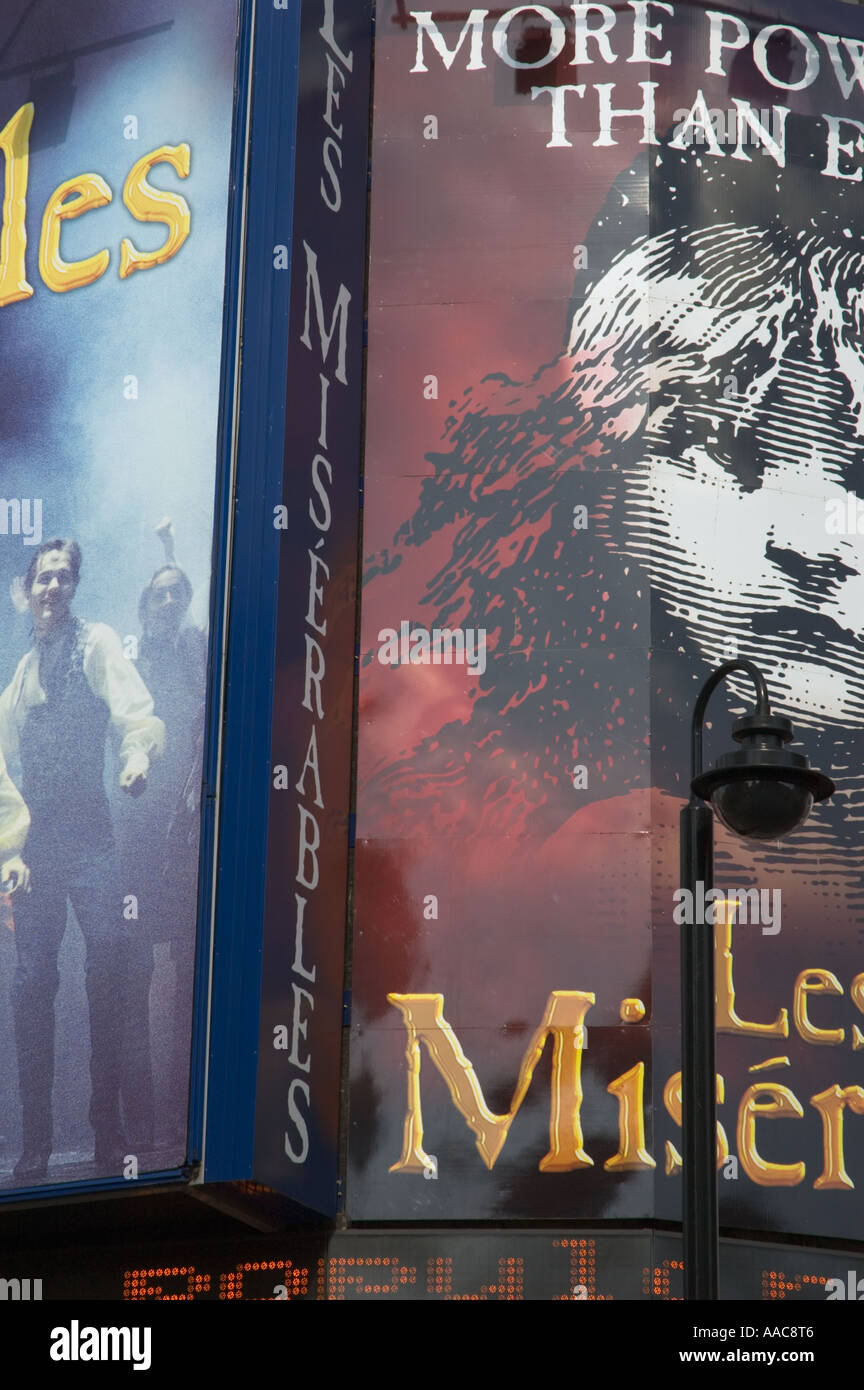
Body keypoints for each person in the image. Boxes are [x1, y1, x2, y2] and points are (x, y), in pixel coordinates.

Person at [0, 538, 164, 1182]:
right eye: (44, 577)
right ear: (29, 587)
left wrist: (137, 758)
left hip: (91, 839)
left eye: (64, 577)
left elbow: (137, 713)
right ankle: (35, 1144)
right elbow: (3, 774)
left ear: (74, 587)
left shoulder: (95, 643)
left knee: (110, 967)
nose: (53, 588)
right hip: (38, 852)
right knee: (32, 984)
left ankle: (108, 1130)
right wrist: (10, 850)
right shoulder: (15, 682)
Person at [117, 552, 207, 1152]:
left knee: (187, 979)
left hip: (190, 835)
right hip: (133, 839)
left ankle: (181, 1116)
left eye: (179, 593)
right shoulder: (124, 665)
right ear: (143, 609)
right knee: (131, 974)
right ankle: (141, 1124)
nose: (170, 602)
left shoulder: (200, 654)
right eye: (159, 594)